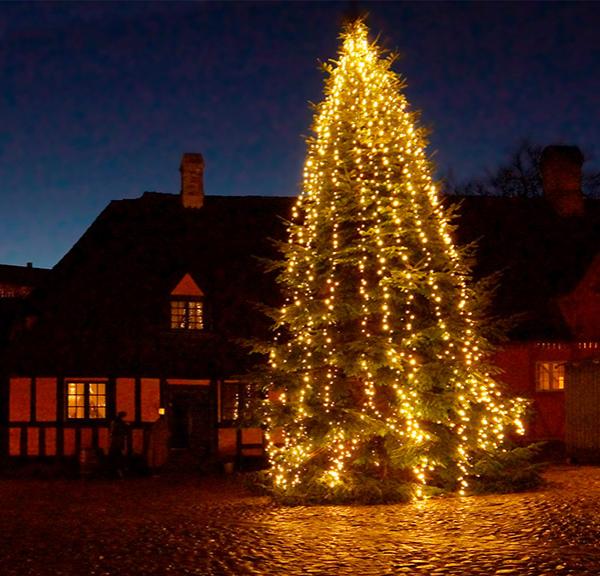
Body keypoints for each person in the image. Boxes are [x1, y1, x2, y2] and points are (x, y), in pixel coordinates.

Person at [109, 411, 129, 477]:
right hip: (118, 442)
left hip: (116, 442)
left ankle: (116, 471)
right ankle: (119, 471)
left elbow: (112, 432)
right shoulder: (119, 423)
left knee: (115, 456)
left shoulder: (115, 422)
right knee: (118, 456)